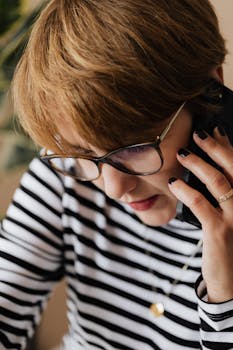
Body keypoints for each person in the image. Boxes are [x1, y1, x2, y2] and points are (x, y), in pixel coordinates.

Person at [1, 0, 233, 349]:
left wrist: (226, 294)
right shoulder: (67, 172)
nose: (113, 187)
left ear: (210, 90)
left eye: (134, 147)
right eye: (82, 152)